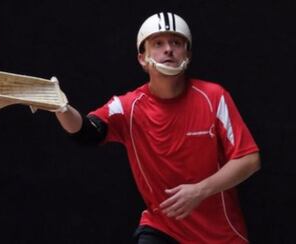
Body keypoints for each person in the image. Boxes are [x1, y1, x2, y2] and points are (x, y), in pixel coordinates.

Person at [52, 12, 261, 244]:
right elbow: (86, 132)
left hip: (220, 236)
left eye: (176, 43)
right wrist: (61, 107)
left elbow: (249, 159)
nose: (168, 49)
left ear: (188, 53)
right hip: (163, 228)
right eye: (158, 43)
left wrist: (199, 190)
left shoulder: (214, 97)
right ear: (142, 57)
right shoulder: (128, 106)